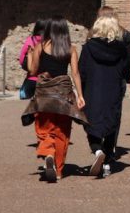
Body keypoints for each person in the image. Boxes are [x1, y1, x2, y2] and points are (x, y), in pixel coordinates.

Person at [20, 17, 88, 183]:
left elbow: (33, 71)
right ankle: (58, 170)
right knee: (62, 132)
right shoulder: (71, 49)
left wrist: (30, 56)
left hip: (44, 96)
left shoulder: (40, 46)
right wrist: (80, 95)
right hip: (63, 96)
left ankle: (48, 153)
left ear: (49, 30)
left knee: (44, 130)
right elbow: (75, 74)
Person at [79, 6, 130, 178]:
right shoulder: (122, 49)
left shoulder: (88, 48)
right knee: (111, 125)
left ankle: (97, 151)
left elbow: (83, 71)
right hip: (113, 90)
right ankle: (108, 162)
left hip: (93, 90)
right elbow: (125, 71)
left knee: (90, 123)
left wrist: (81, 91)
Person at [17, 18, 50, 100]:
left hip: (31, 80)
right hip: (46, 81)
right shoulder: (49, 42)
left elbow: (21, 60)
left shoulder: (29, 40)